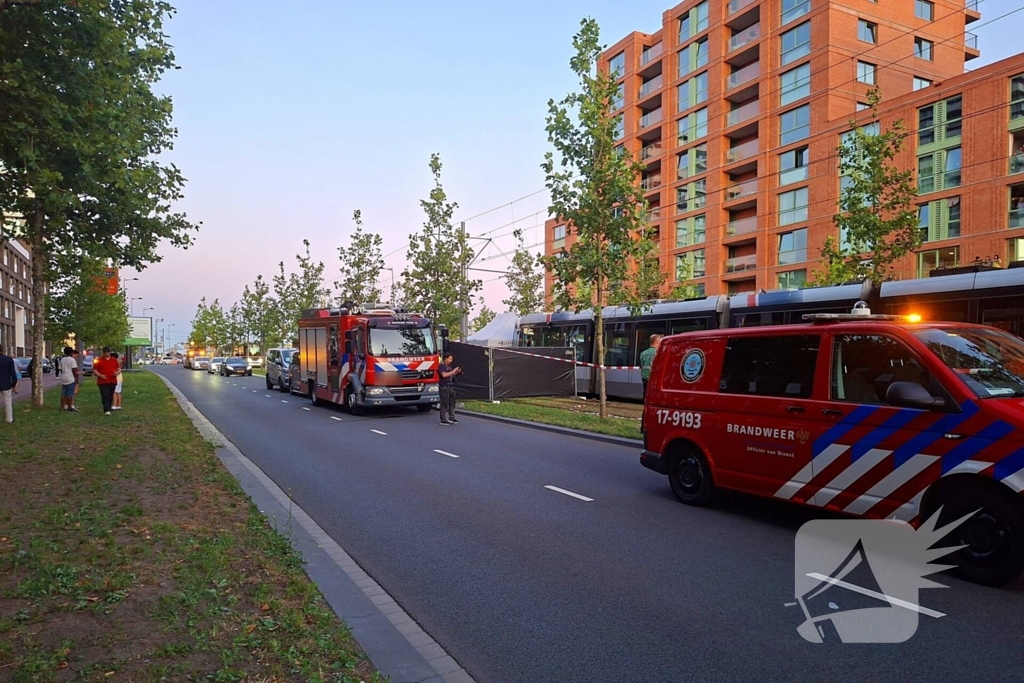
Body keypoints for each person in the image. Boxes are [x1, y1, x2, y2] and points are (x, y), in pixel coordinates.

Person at [93, 346, 120, 415]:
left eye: (108, 352)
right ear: (103, 352)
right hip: (102, 381)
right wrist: (100, 375)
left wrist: (117, 372)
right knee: (105, 395)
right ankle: (106, 410)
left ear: (109, 352)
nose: (106, 354)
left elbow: (119, 368)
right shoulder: (99, 360)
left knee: (110, 395)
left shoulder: (114, 360)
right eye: (105, 352)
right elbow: (94, 370)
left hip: (112, 380)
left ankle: (108, 407)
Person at [437, 352, 462, 425]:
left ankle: (451, 417)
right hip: (444, 387)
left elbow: (450, 374)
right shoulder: (441, 366)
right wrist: (453, 371)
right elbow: (444, 375)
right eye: (450, 359)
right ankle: (443, 419)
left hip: (450, 386)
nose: (451, 360)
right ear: (445, 358)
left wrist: (456, 373)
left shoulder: (449, 367)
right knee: (444, 403)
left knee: (452, 402)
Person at [639, 334, 662, 399]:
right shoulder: (657, 352)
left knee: (646, 393)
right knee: (652, 396)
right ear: (657, 342)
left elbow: (642, 365)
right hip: (652, 377)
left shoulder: (643, 353)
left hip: (644, 376)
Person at [59, 346, 80, 412]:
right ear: (71, 352)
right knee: (70, 393)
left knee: (64, 393)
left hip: (63, 377)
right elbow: (74, 370)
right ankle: (69, 407)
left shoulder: (62, 359)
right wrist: (76, 378)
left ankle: (62, 407)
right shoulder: (72, 359)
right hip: (70, 378)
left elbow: (61, 370)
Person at [0, 345, 18, 424]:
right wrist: (14, 383)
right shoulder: (8, 359)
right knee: (8, 402)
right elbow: (13, 373)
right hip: (6, 383)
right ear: (2, 350)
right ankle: (9, 419)